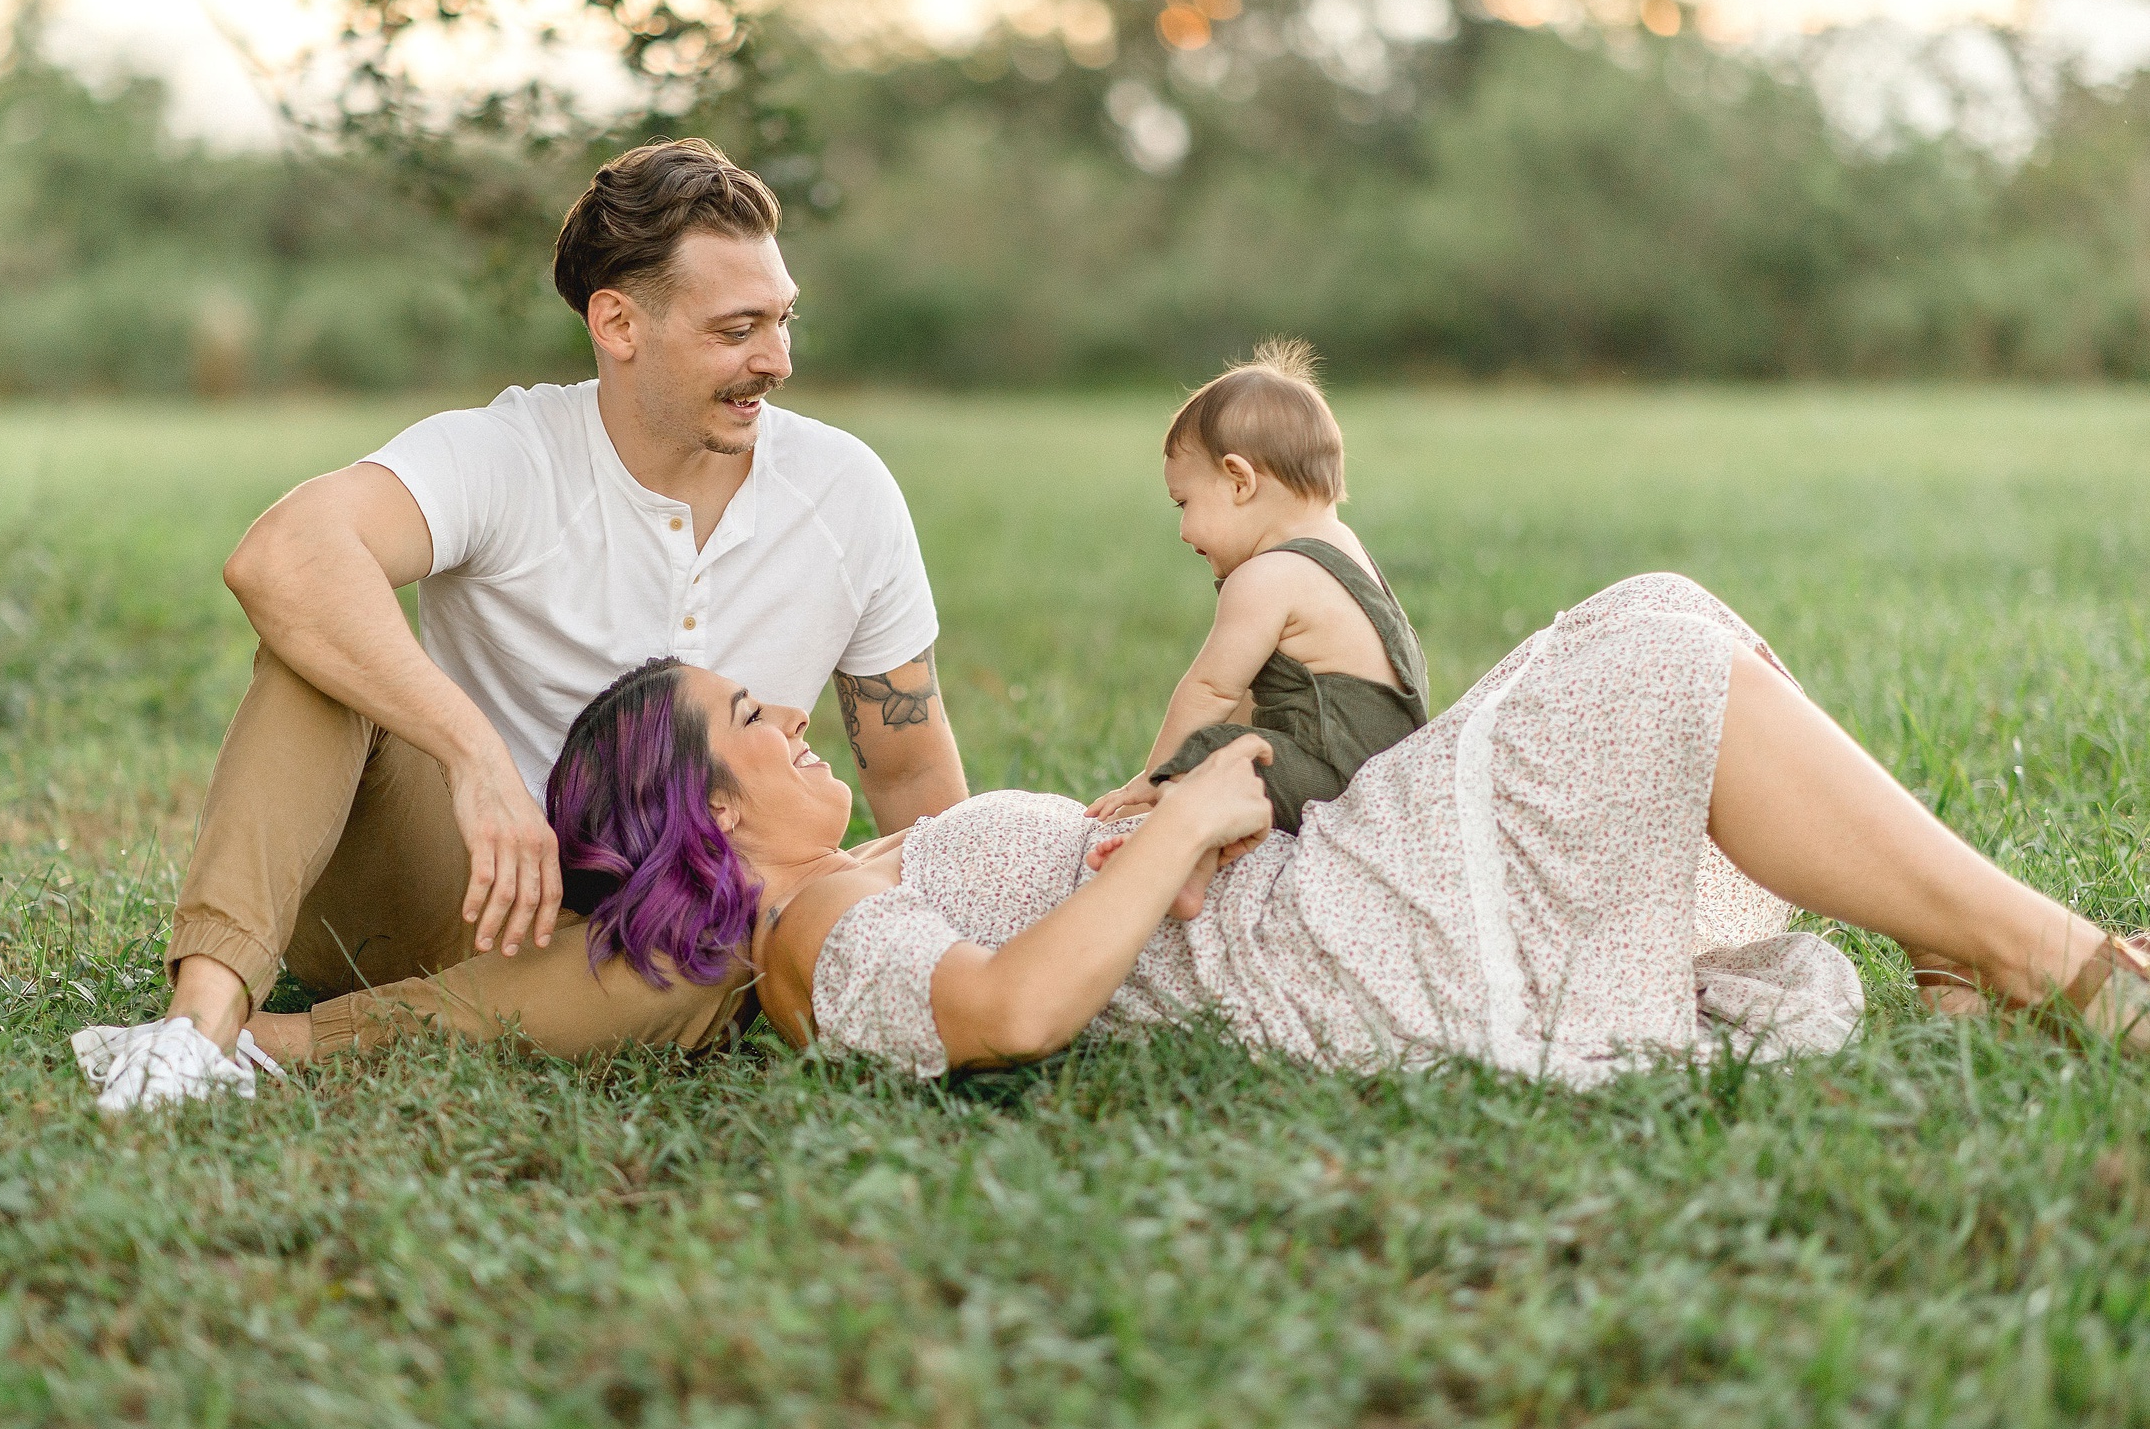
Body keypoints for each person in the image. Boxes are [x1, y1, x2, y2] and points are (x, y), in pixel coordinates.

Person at [74, 138, 969, 1112]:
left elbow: (912, 769)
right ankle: (193, 1036)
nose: (779, 359)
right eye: (738, 327)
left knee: (709, 932)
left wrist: (947, 958)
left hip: (686, 945)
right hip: (462, 891)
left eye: (784, 319)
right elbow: (281, 555)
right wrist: (474, 757)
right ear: (618, 322)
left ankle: (279, 1044)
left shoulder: (848, 493)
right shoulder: (507, 453)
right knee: (316, 652)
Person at [550, 574, 2150, 1084]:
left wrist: (1183, 820)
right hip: (1318, 957)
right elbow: (1006, 1012)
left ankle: (1967, 946)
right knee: (1653, 651)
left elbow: (1051, 923)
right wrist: (1185, 831)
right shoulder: (807, 943)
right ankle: (2060, 962)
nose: (784, 708)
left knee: (1663, 618)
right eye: (742, 722)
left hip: (1287, 890)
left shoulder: (880, 863)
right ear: (699, 814)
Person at [1087, 339, 1429, 833]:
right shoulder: (1343, 551)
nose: (1183, 532)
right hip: (1388, 778)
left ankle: (1171, 858)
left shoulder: (1265, 576)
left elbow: (1210, 691)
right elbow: (1259, 695)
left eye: (1183, 504)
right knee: (1231, 753)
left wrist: (1155, 780)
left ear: (1239, 480)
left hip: (1333, 779)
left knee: (1212, 764)